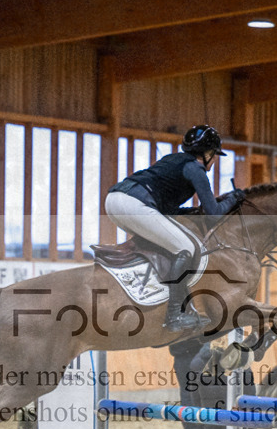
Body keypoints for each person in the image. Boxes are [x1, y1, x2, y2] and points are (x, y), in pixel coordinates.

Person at [105, 125, 245, 332]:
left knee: (167, 243)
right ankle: (174, 315)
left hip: (114, 201)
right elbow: (214, 214)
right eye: (214, 155)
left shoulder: (172, 160)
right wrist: (234, 198)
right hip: (134, 204)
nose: (214, 160)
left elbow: (169, 210)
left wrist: (193, 212)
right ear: (207, 154)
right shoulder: (195, 169)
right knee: (186, 248)